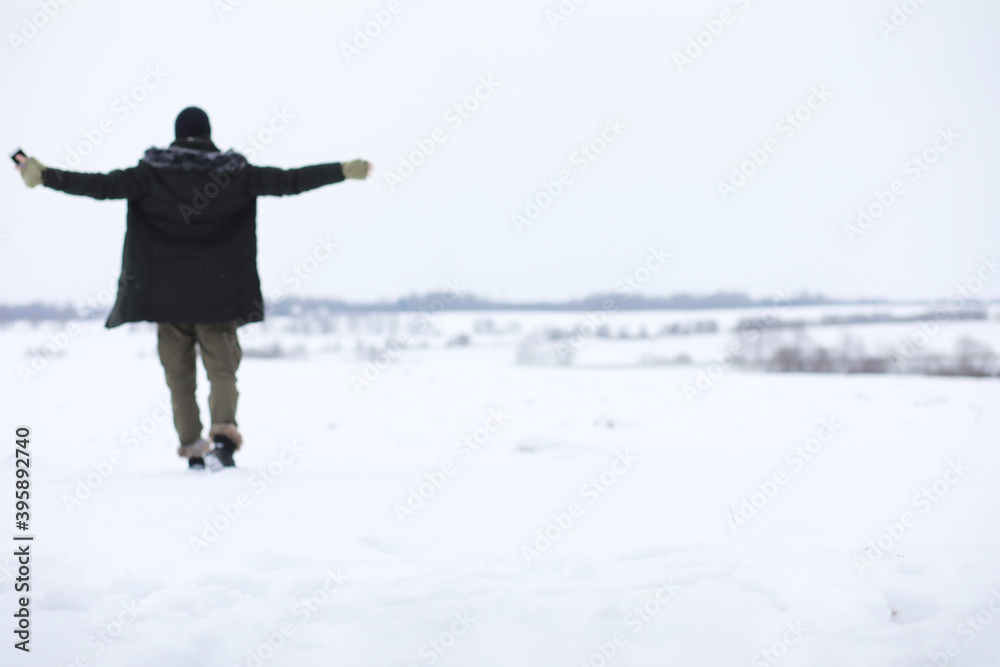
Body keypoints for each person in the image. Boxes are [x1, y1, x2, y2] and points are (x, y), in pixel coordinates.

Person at [15, 106, 371, 470]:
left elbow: (99, 186)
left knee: (179, 380)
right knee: (222, 372)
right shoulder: (235, 174)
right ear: (207, 133)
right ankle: (223, 443)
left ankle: (194, 451)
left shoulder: (149, 174)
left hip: (166, 301)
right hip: (219, 299)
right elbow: (289, 181)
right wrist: (341, 170)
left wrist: (43, 176)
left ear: (177, 133)